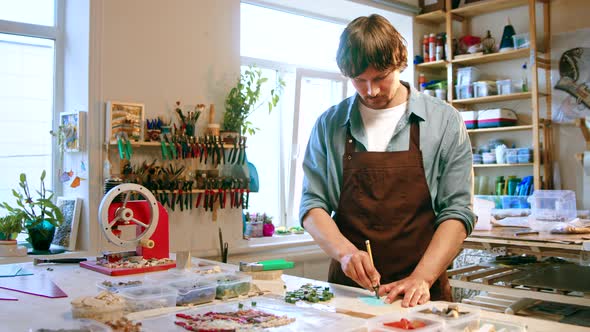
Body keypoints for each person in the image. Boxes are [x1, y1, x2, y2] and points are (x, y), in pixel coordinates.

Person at [299, 14, 475, 307]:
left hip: (421, 295)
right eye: (359, 80)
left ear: (400, 62)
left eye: (380, 77)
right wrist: (345, 253)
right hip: (351, 296)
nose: (371, 91)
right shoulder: (329, 125)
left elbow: (458, 212)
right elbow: (312, 205)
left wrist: (422, 277)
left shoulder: (444, 121)